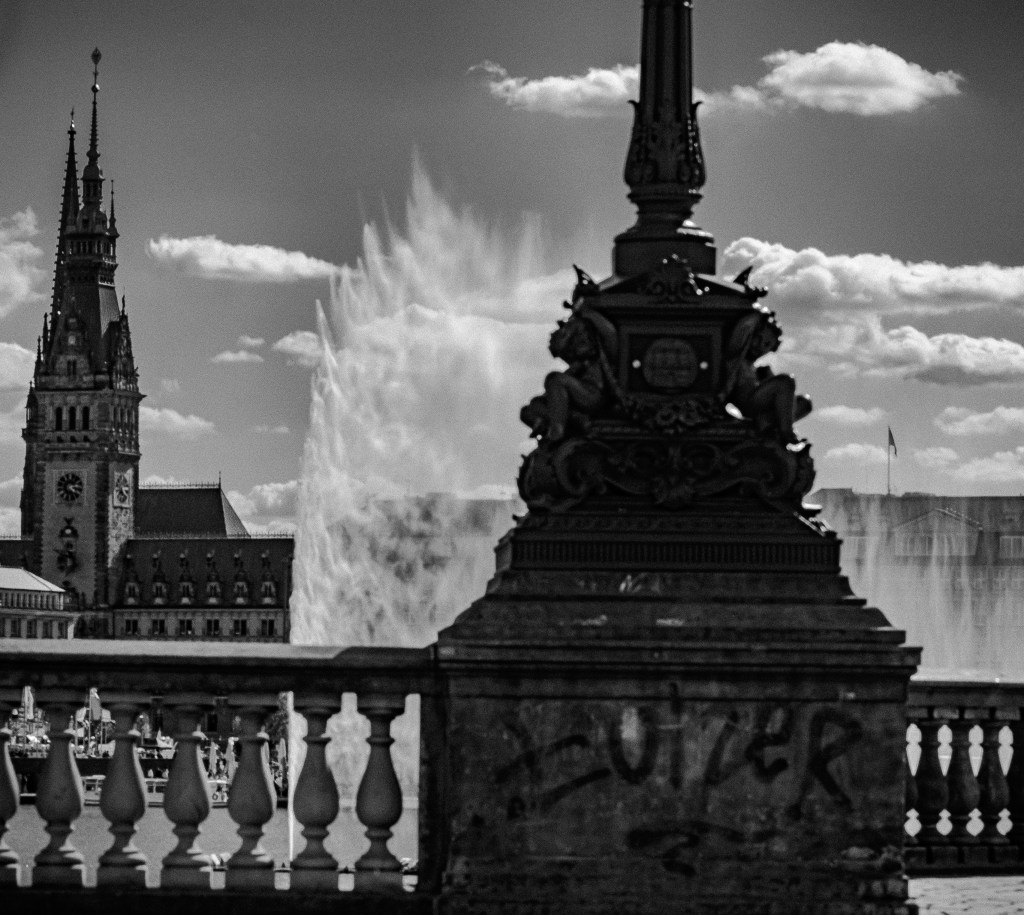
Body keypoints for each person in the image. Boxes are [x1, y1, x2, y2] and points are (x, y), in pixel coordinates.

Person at [723, 308, 811, 444]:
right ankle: (787, 434)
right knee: (786, 382)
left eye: (767, 344)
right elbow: (742, 329)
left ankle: (767, 421)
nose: (759, 346)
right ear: (749, 336)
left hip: (757, 404)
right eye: (757, 338)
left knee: (804, 403)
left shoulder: (756, 369)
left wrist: (767, 378)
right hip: (747, 403)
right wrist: (758, 315)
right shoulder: (737, 359)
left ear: (772, 349)